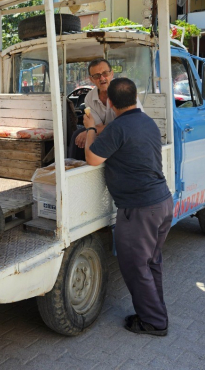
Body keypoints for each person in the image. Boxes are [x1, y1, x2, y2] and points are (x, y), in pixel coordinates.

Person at [83, 77, 173, 336]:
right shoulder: (147, 122)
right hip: (162, 202)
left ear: (109, 102)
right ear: (136, 97)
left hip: (140, 210)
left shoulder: (117, 127)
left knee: (136, 267)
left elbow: (92, 158)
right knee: (151, 262)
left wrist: (90, 128)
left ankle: (154, 323)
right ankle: (155, 314)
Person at [68, 58, 141, 159]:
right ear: (91, 79)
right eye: (97, 76)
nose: (102, 78)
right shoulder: (89, 97)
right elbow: (98, 127)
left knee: (86, 135)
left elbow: (132, 122)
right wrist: (90, 130)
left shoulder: (123, 90)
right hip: (106, 133)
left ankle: (92, 162)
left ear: (112, 74)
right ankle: (74, 167)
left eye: (105, 73)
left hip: (127, 133)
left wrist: (90, 130)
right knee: (78, 135)